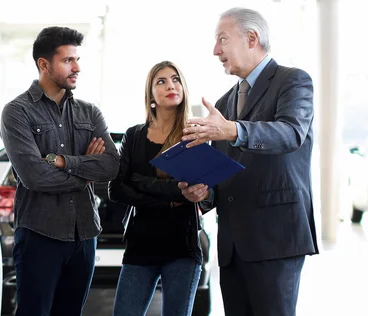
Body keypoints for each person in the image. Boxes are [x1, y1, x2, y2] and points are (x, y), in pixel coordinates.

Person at [180, 7, 319, 316]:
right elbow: (221, 173)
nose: (215, 50)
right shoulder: (225, 102)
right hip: (231, 244)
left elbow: (290, 133)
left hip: (275, 238)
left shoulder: (293, 80)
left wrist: (231, 129)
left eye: (222, 39)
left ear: (252, 38)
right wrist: (204, 194)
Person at [0, 26, 119, 316]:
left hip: (84, 234)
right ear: (44, 64)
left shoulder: (90, 113)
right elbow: (34, 176)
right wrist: (88, 170)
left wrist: (65, 162)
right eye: (68, 60)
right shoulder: (17, 112)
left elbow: (112, 165)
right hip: (40, 234)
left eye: (77, 59)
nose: (77, 67)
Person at [108, 61, 212, 316]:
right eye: (161, 81)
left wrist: (143, 183)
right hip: (140, 246)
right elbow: (117, 189)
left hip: (182, 248)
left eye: (175, 80)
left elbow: (206, 192)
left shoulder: (194, 136)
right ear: (151, 95)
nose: (171, 86)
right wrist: (171, 196)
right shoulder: (134, 136)